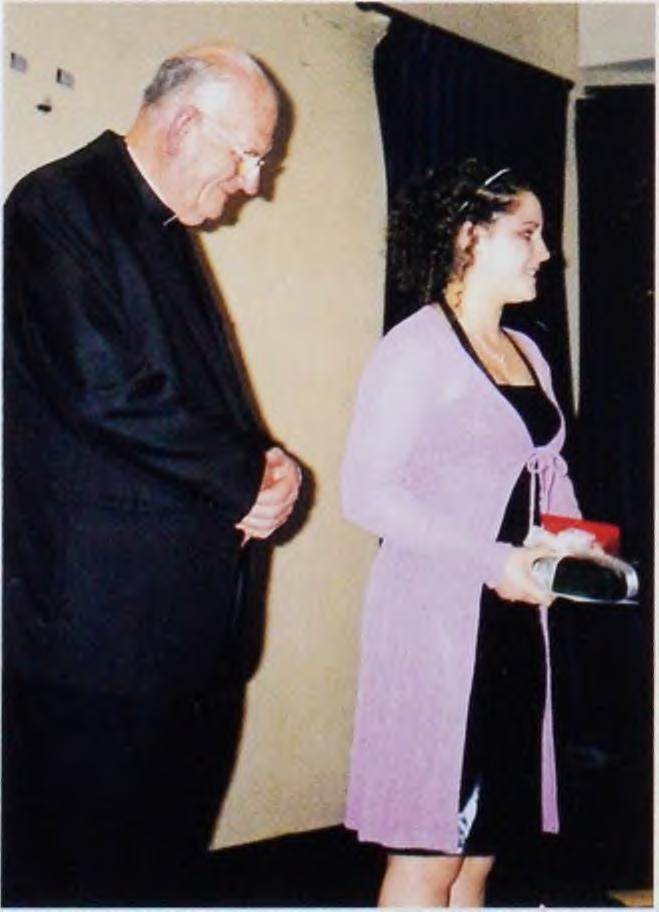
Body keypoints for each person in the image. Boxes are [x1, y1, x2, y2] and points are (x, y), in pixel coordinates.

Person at [3, 44, 301, 905]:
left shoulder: (160, 225)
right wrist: (244, 475)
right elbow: (101, 388)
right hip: (95, 653)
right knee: (80, 882)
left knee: (159, 879)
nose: (252, 183)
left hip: (179, 649)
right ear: (184, 124)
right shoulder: (57, 205)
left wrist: (270, 465)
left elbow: (198, 403)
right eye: (246, 155)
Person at [341, 160, 588, 906]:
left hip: (512, 628)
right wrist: (491, 559)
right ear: (467, 237)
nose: (546, 253)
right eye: (527, 234)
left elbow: (547, 471)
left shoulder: (527, 351)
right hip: (436, 625)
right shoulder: (413, 349)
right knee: (428, 858)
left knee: (477, 858)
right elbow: (366, 493)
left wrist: (575, 545)